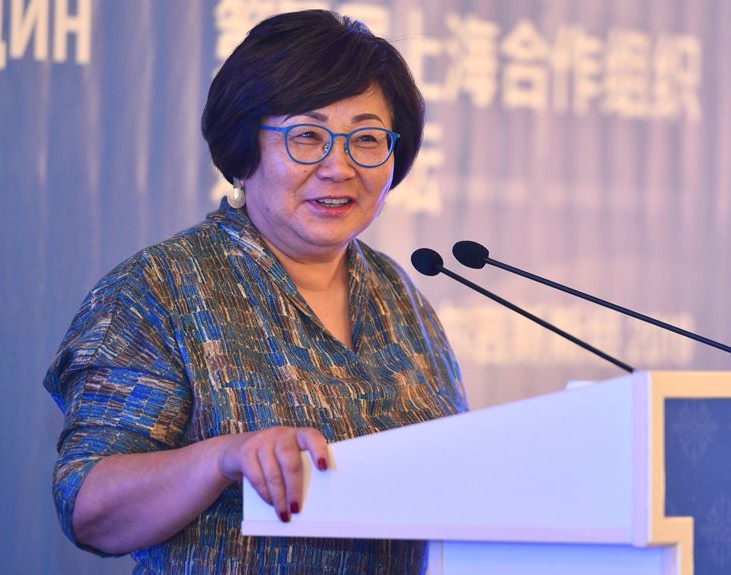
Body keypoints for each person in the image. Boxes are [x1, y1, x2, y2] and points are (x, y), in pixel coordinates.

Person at [43, 10, 468, 574]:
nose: (339, 167)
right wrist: (222, 458)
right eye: (307, 137)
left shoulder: (399, 296)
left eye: (367, 140)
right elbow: (89, 508)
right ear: (245, 151)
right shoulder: (161, 290)